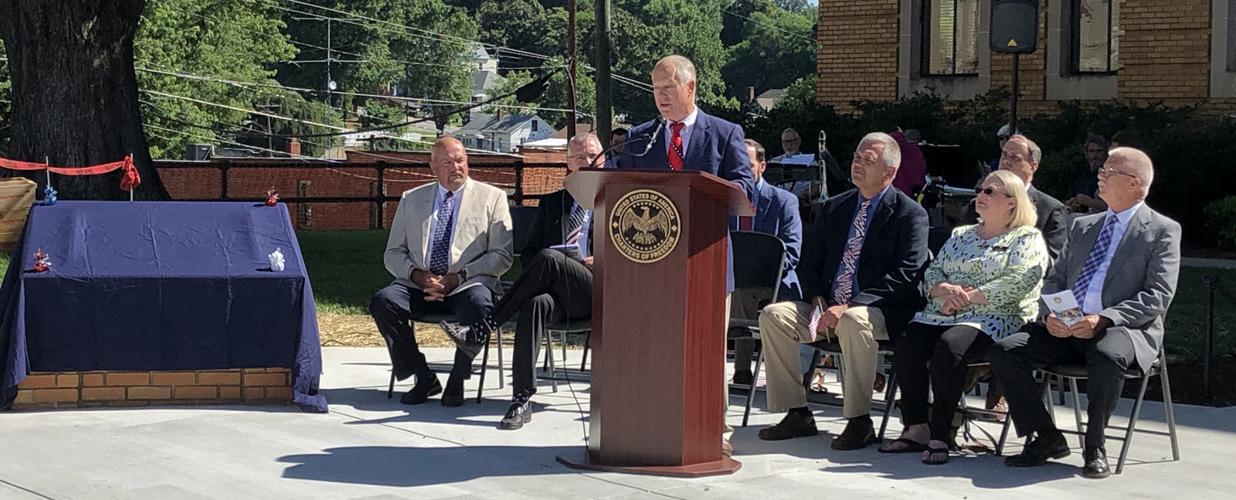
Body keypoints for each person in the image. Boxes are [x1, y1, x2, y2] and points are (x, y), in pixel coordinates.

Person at [991, 147, 1181, 479]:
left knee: (1107, 354)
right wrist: (1051, 313)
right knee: (1007, 351)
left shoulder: (1161, 230)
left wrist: (1104, 319)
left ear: (1135, 183)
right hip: (1068, 326)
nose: (1100, 175)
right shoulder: (1083, 225)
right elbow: (1056, 279)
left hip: (1122, 328)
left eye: (1110, 172)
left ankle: (1095, 447)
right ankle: (1046, 437)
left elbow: (1157, 296)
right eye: (1102, 170)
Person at [617, 54, 754, 456]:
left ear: (690, 87)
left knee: (706, 350)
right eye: (655, 90)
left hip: (706, 261)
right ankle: (652, 420)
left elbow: (743, 187)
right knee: (654, 346)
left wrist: (701, 187)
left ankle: (714, 427)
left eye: (668, 88)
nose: (660, 97)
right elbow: (624, 186)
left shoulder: (725, 133)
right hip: (650, 265)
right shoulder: (642, 136)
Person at [757, 132, 929, 450]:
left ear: (889, 172)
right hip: (828, 306)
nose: (858, 164)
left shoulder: (909, 214)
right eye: (856, 157)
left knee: (853, 320)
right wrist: (818, 298)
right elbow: (809, 262)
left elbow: (907, 274)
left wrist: (850, 304)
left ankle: (859, 421)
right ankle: (797, 412)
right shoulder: (835, 207)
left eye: (868, 160)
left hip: (880, 310)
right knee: (773, 315)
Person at [879, 170, 1049, 464]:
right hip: (944, 311)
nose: (980, 196)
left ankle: (941, 433)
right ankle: (916, 426)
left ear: (1012, 202)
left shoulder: (1026, 238)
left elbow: (1019, 281)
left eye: (989, 192)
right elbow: (934, 270)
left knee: (949, 346)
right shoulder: (961, 234)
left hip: (995, 315)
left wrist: (967, 298)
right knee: (909, 342)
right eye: (980, 189)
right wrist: (942, 290)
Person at [442, 133, 602, 430]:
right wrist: (552, 275)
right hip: (557, 295)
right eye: (580, 158)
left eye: (593, 156)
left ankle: (484, 327)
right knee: (535, 302)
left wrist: (602, 261)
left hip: (598, 290)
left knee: (551, 258)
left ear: (604, 159)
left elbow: (633, 255)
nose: (588, 162)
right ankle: (520, 399)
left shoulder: (617, 201)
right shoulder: (554, 204)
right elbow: (530, 255)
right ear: (568, 164)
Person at [369, 137, 513, 407]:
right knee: (383, 301)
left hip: (466, 283)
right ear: (432, 166)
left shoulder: (492, 198)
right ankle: (423, 377)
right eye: (447, 162)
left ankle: (457, 379)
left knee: (482, 304)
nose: (455, 167)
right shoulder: (412, 199)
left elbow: (502, 256)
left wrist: (459, 277)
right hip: (420, 283)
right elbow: (392, 253)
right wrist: (416, 276)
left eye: (460, 160)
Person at [730, 139, 803, 386]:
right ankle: (741, 370)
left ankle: (781, 376)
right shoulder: (725, 201)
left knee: (742, 291)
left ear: (762, 166)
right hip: (736, 281)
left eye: (747, 165)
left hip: (775, 280)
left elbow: (792, 250)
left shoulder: (784, 201)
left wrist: (763, 271)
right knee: (736, 290)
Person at [965, 134, 1067, 262]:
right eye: (1004, 155)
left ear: (1033, 167)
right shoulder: (978, 204)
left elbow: (1056, 262)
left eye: (1015, 157)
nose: (1006, 161)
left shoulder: (1050, 209)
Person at [1067, 134, 1109, 214]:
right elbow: (1072, 196)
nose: (1095, 155)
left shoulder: (1108, 175)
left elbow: (1111, 207)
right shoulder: (1082, 175)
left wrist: (1089, 202)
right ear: (1086, 153)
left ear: (1105, 152)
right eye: (1091, 151)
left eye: (1099, 151)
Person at [891, 129, 926, 196]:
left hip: (889, 188)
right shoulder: (914, 151)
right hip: (906, 190)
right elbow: (918, 172)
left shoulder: (890, 147)